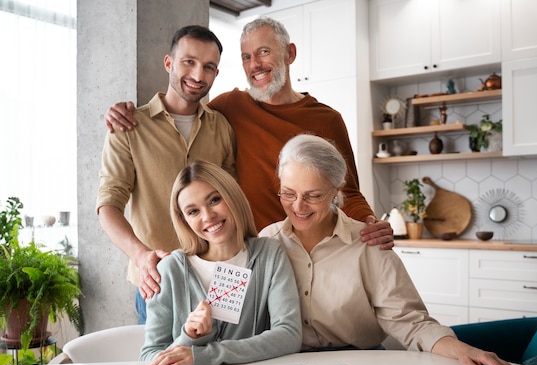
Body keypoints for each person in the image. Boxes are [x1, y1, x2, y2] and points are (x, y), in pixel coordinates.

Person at [259, 134, 526, 365]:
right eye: (289, 193)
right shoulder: (267, 241)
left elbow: (410, 321)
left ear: (336, 190)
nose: (298, 207)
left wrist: (462, 349)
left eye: (313, 196)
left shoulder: (369, 244)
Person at [104, 16, 392, 244]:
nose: (255, 65)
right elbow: (183, 106)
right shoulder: (230, 106)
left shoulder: (327, 120)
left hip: (310, 252)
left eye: (264, 52)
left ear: (290, 53)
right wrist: (122, 111)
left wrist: (369, 222)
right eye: (246, 57)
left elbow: (348, 193)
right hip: (248, 255)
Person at [96, 25, 235, 324]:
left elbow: (232, 203)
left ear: (216, 74)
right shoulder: (128, 126)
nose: (198, 76)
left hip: (216, 280)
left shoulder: (222, 127)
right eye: (189, 62)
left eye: (208, 67)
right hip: (157, 281)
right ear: (169, 62)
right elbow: (108, 206)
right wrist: (140, 255)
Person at [141, 160, 302, 365]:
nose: (208, 216)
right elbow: (149, 357)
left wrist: (206, 354)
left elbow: (289, 335)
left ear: (232, 195)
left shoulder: (269, 253)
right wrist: (188, 337)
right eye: (193, 211)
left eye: (215, 200)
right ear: (184, 220)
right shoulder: (170, 269)